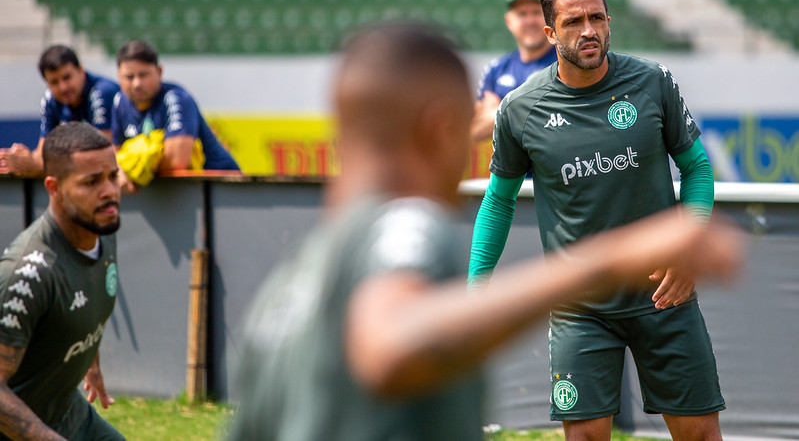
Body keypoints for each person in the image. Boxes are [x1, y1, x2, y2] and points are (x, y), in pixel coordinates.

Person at [227, 22, 741, 440]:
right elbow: (392, 343)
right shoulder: (403, 228)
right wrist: (605, 264)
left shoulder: (287, 286)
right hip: (586, 312)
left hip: (661, 303)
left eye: (596, 17)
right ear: (443, 127)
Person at [468, 0, 723, 440]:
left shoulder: (653, 81)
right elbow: (498, 202)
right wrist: (476, 286)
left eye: (597, 18)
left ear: (608, 21)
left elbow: (698, 170)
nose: (588, 30)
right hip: (578, 305)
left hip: (664, 294)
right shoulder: (520, 109)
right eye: (573, 22)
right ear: (549, 34)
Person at [0, 122, 124, 440]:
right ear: (53, 187)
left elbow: (83, 301)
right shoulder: (27, 275)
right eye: (92, 182)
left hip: (67, 411)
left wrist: (90, 364)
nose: (109, 190)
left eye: (113, 176)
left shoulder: (101, 230)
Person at [111, 40, 239, 192]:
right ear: (119, 76)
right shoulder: (119, 102)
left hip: (222, 189)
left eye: (143, 75)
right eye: (129, 77)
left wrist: (135, 162)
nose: (137, 83)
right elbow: (115, 157)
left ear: (159, 72)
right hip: (173, 196)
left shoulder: (176, 98)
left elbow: (176, 162)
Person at [0, 45, 119, 178]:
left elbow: (100, 153)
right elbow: (43, 153)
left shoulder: (102, 92)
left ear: (81, 70)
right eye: (54, 82)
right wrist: (23, 159)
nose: (63, 87)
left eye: (67, 77)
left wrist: (35, 165)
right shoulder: (50, 99)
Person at [471, 0, 558, 142]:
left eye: (536, 12)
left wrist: (500, 109)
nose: (530, 21)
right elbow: (475, 131)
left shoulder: (565, 64)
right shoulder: (496, 69)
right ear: (509, 21)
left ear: (550, 17)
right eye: (522, 14)